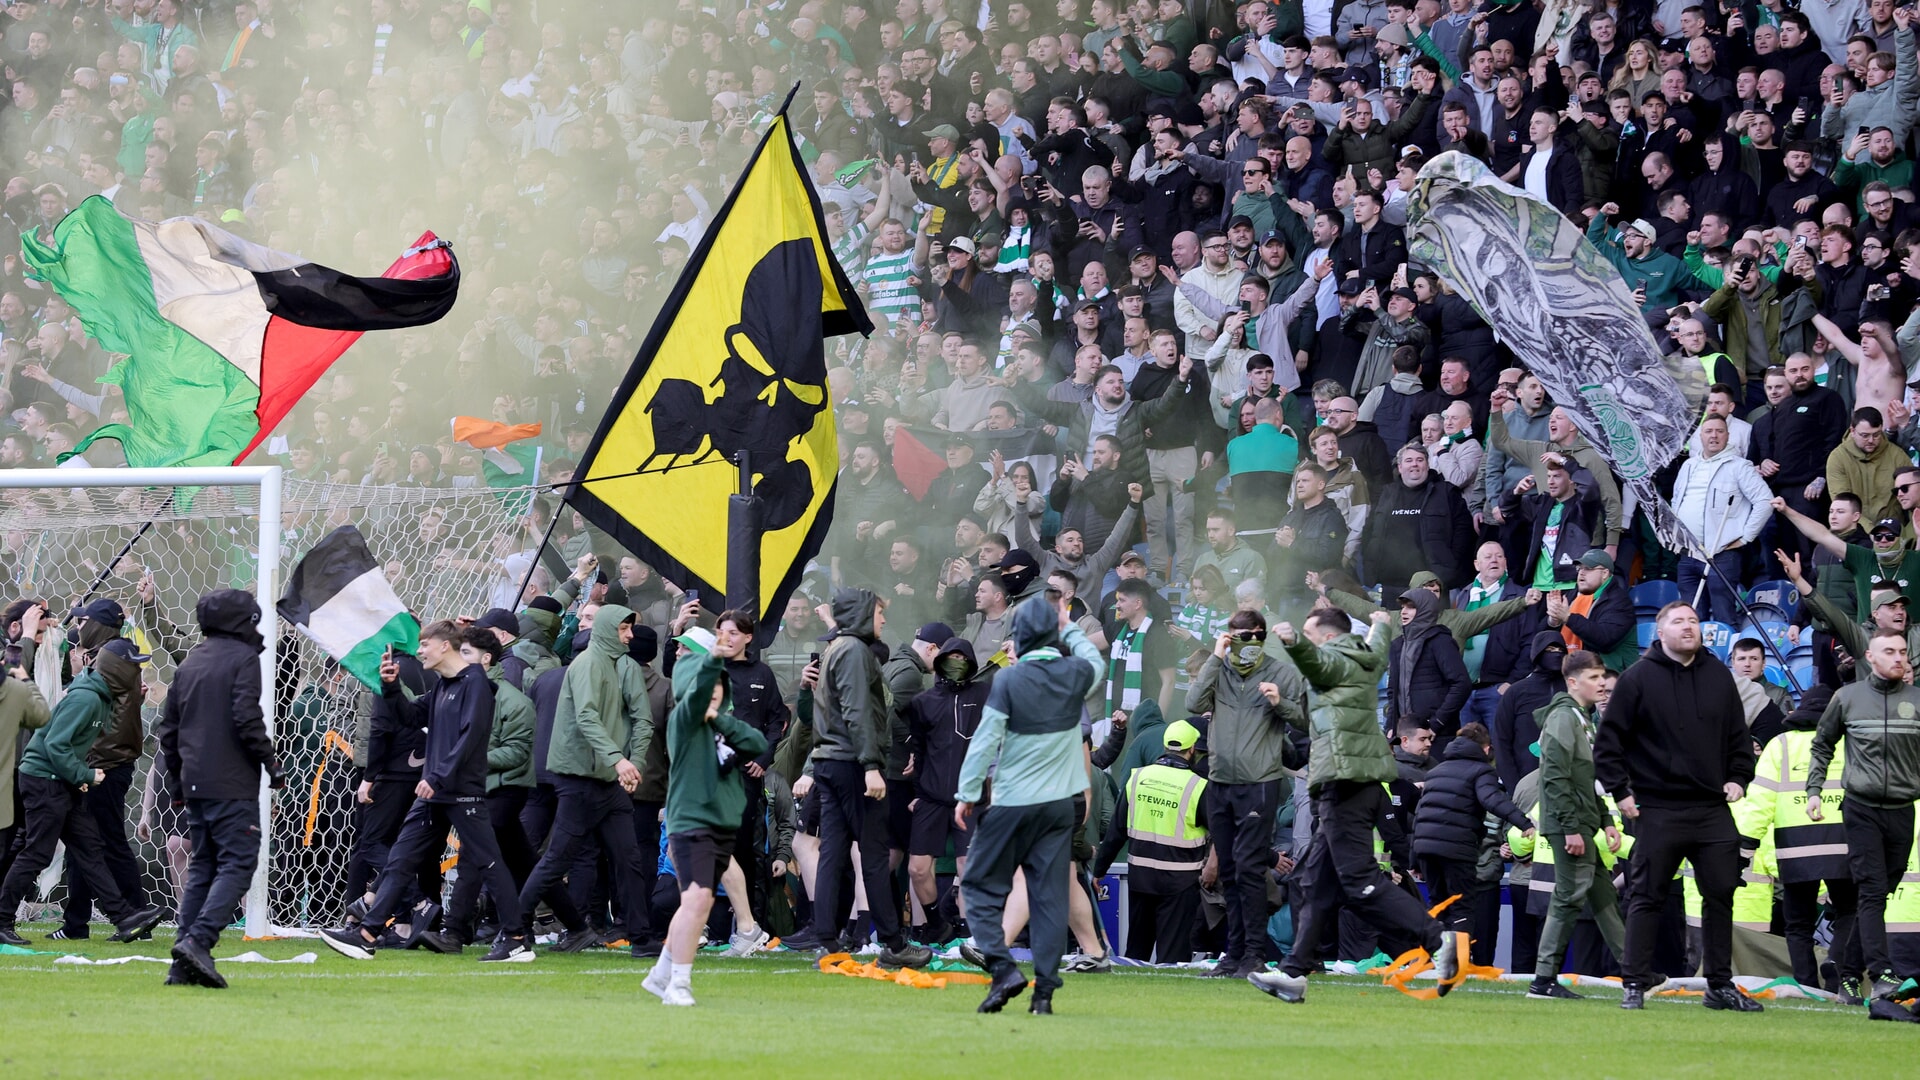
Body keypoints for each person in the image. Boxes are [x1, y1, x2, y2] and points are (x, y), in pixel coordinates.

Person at [1249, 608, 1461, 1003]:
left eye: (1312, 635)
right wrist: (1382, 623)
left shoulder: (1335, 658)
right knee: (1311, 882)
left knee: (1361, 882)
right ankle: (1294, 972)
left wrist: (1294, 643)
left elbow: (1318, 664)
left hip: (1342, 780)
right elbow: (1375, 653)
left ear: (1327, 639)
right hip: (1354, 777)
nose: (1309, 642)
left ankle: (1440, 941)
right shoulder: (1364, 656)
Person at [320, 621, 532, 964]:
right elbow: (409, 715)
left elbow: (472, 735)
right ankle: (367, 935)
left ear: (444, 646)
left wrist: (438, 776)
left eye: (424, 645)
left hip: (459, 792)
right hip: (435, 793)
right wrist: (390, 687)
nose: (419, 652)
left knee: (489, 863)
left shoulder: (475, 682)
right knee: (401, 859)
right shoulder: (444, 686)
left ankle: (517, 939)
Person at [1594, 602, 1760, 1012]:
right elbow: (1608, 743)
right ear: (1660, 632)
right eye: (1679, 622)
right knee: (1646, 895)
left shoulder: (1720, 676)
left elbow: (1739, 738)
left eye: (1694, 621)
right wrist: (1621, 793)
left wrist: (1739, 778)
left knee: (1721, 893)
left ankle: (1719, 985)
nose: (1689, 627)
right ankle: (1634, 981)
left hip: (1711, 808)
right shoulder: (1636, 680)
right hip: (1657, 808)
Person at [956, 592, 1105, 1015]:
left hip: (1014, 801)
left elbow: (985, 740)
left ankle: (1003, 969)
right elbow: (1095, 663)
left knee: (980, 886)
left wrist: (968, 793)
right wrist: (1068, 625)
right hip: (1060, 805)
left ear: (1018, 636)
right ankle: (1044, 996)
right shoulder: (1075, 673)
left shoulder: (1009, 680)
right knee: (1049, 897)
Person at [785, 589, 932, 967]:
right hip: (852, 764)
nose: (883, 620)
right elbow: (857, 711)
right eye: (880, 613)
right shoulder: (854, 651)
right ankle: (894, 944)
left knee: (833, 850)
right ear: (864, 615)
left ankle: (826, 938)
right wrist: (871, 766)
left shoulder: (837, 648)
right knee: (873, 852)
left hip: (829, 763)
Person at [154, 589, 282, 988]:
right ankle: (198, 941)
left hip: (195, 781)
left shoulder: (191, 662)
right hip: (230, 782)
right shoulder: (243, 659)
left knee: (204, 868)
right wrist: (270, 763)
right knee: (239, 862)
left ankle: (182, 962)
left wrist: (176, 781)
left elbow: (168, 730)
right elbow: (247, 716)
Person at [0, 638, 165, 947]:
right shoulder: (87, 699)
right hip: (44, 780)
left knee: (90, 850)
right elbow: (54, 744)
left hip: (61, 781)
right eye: (134, 666)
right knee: (37, 853)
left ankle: (124, 918)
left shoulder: (101, 696)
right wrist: (85, 774)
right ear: (117, 670)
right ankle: (2, 919)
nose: (138, 674)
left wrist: (78, 777)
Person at [512, 605, 654, 954]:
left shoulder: (618, 665)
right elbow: (587, 717)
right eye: (623, 629)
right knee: (558, 859)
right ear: (609, 630)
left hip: (606, 780)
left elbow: (641, 720)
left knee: (628, 859)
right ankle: (512, 928)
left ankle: (640, 937)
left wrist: (630, 764)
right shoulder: (588, 664)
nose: (629, 635)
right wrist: (621, 761)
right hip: (581, 780)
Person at [640, 647, 770, 1007]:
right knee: (697, 899)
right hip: (691, 822)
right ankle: (678, 983)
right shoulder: (684, 719)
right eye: (706, 684)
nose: (713, 689)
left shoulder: (720, 725)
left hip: (720, 825)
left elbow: (758, 743)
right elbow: (696, 700)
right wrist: (713, 658)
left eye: (718, 685)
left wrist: (722, 719)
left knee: (695, 903)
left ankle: (661, 973)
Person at [1805, 626, 1920, 1011]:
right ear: (1870, 657)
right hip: (1861, 808)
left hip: (1903, 810)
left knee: (1879, 895)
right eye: (1889, 651)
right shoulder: (1848, 698)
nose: (1898, 657)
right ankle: (1882, 973)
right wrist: (1814, 791)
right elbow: (1821, 744)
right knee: (1871, 890)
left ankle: (1848, 974)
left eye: (1902, 651)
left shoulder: (1918, 700)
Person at [1186, 609, 1305, 976]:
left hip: (1259, 782)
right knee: (1232, 871)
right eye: (1242, 636)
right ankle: (1234, 952)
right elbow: (1193, 703)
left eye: (1256, 636)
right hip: (1221, 780)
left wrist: (1278, 702)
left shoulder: (1281, 672)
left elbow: (1304, 719)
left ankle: (1254, 953)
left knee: (1251, 869)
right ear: (1230, 637)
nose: (1249, 643)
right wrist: (1216, 657)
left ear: (1264, 637)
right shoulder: (1219, 670)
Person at [1732, 684, 1858, 997]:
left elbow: (1760, 802)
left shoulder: (1780, 745)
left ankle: (1806, 986)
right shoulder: (1851, 742)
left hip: (1795, 848)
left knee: (1798, 925)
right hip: (1844, 846)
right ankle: (1835, 967)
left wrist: (1746, 845)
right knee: (1850, 912)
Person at [1527, 649, 1628, 1000]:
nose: (1602, 684)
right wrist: (1571, 827)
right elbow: (1554, 777)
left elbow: (1586, 780)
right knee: (1568, 899)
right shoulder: (1564, 719)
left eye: (1603, 677)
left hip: (1582, 823)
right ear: (1573, 682)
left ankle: (1633, 971)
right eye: (1594, 678)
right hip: (1569, 825)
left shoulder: (1579, 718)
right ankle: (1543, 980)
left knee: (1603, 898)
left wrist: (1604, 821)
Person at [1093, 718, 1208, 962]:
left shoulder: (1137, 779)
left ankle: (1132, 992)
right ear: (1191, 750)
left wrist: (1099, 870)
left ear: (1166, 746)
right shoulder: (1198, 786)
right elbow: (1222, 832)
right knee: (1173, 955)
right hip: (1181, 881)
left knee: (1137, 948)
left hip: (1141, 876)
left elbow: (1116, 831)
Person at [904, 637, 989, 943]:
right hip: (931, 797)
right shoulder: (923, 702)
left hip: (971, 798)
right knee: (917, 869)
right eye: (950, 657)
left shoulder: (984, 694)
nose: (956, 663)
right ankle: (937, 923)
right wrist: (916, 791)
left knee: (968, 867)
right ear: (939, 661)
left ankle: (968, 935)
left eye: (962, 657)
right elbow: (918, 752)